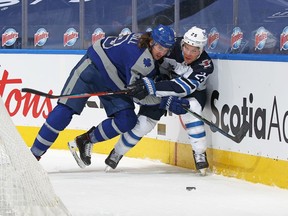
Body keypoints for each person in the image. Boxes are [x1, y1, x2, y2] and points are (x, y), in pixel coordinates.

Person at [30, 24, 178, 164]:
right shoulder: (141, 60)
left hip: (114, 80)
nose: (162, 52)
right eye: (160, 47)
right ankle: (33, 156)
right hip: (91, 69)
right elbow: (138, 96)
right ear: (151, 42)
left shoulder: (142, 40)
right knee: (63, 112)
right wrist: (164, 102)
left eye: (166, 49)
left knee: (126, 120)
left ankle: (86, 140)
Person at [104, 26, 214, 175]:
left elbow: (184, 88)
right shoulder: (170, 45)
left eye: (194, 50)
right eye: (187, 48)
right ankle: (117, 153)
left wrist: (151, 86)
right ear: (182, 44)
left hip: (190, 93)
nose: (189, 53)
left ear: (201, 50)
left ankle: (199, 153)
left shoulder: (205, 64)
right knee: (143, 124)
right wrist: (148, 82)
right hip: (162, 86)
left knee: (192, 111)